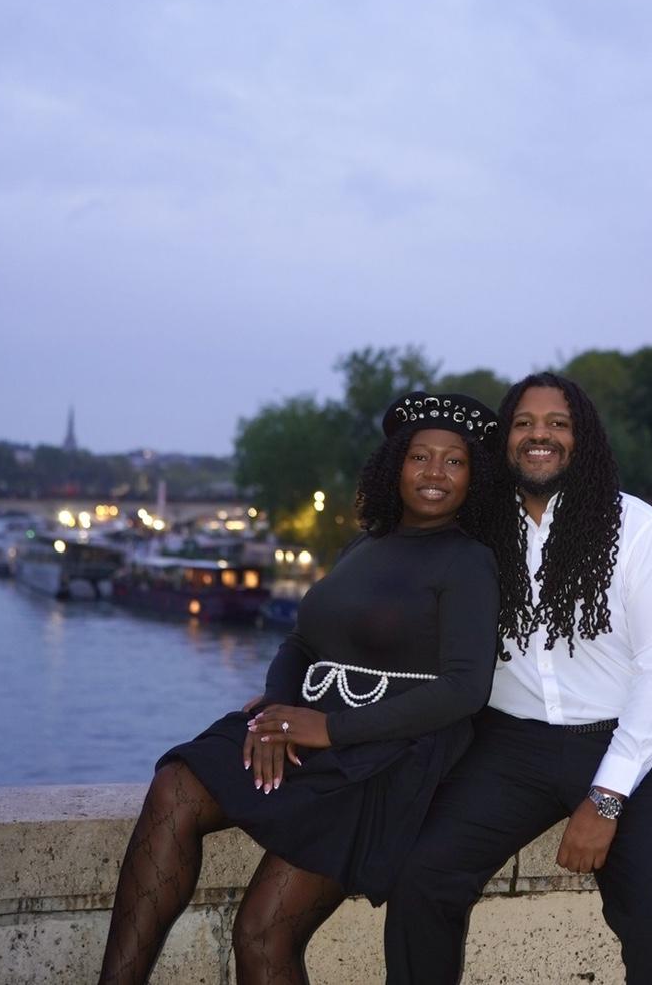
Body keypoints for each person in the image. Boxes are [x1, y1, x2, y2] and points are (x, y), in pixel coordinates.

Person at [97, 391, 519, 985]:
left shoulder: (469, 561)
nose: (434, 473)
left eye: (454, 461)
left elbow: (465, 689)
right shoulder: (363, 545)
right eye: (420, 457)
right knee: (176, 786)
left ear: (474, 479)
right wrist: (276, 709)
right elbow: (300, 641)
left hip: (382, 759)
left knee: (261, 934)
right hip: (306, 725)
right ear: (395, 466)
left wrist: (330, 728)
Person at [386, 372, 652, 984]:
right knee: (419, 879)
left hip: (630, 741)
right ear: (504, 438)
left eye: (558, 424)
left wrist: (606, 798)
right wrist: (298, 690)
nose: (540, 436)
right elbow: (398, 619)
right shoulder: (478, 527)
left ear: (582, 438)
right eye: (524, 423)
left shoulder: (638, 529)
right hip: (509, 747)